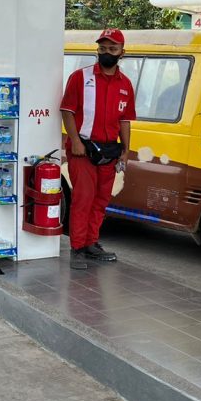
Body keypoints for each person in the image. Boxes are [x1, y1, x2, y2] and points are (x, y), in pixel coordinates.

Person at [61, 28, 135, 270]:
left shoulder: (126, 84)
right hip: (83, 150)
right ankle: (77, 249)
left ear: (122, 52)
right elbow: (67, 111)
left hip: (109, 152)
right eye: (103, 48)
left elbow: (125, 120)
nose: (107, 53)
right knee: (83, 199)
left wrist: (126, 150)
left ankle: (91, 243)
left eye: (112, 49)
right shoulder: (80, 78)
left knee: (101, 200)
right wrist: (76, 141)